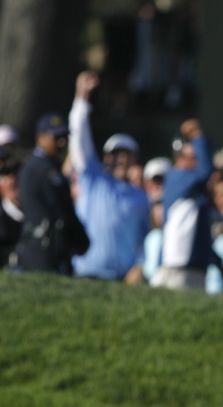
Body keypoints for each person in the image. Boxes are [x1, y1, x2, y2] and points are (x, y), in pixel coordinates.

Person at [69, 71, 150, 284]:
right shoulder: (93, 179)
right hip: (85, 273)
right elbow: (78, 137)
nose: (121, 159)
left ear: (134, 159)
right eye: (116, 154)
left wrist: (140, 264)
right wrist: (82, 99)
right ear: (106, 158)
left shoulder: (141, 197)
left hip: (120, 281)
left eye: (126, 154)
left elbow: (144, 238)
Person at [15, 113, 89, 275]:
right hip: (42, 248)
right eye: (56, 137)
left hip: (54, 248)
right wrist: (78, 236)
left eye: (64, 137)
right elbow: (59, 210)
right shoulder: (39, 169)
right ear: (40, 137)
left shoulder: (50, 167)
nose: (62, 142)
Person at [151, 119, 215, 290]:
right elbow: (206, 171)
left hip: (187, 267)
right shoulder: (179, 177)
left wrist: (218, 263)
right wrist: (198, 136)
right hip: (179, 268)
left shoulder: (189, 186)